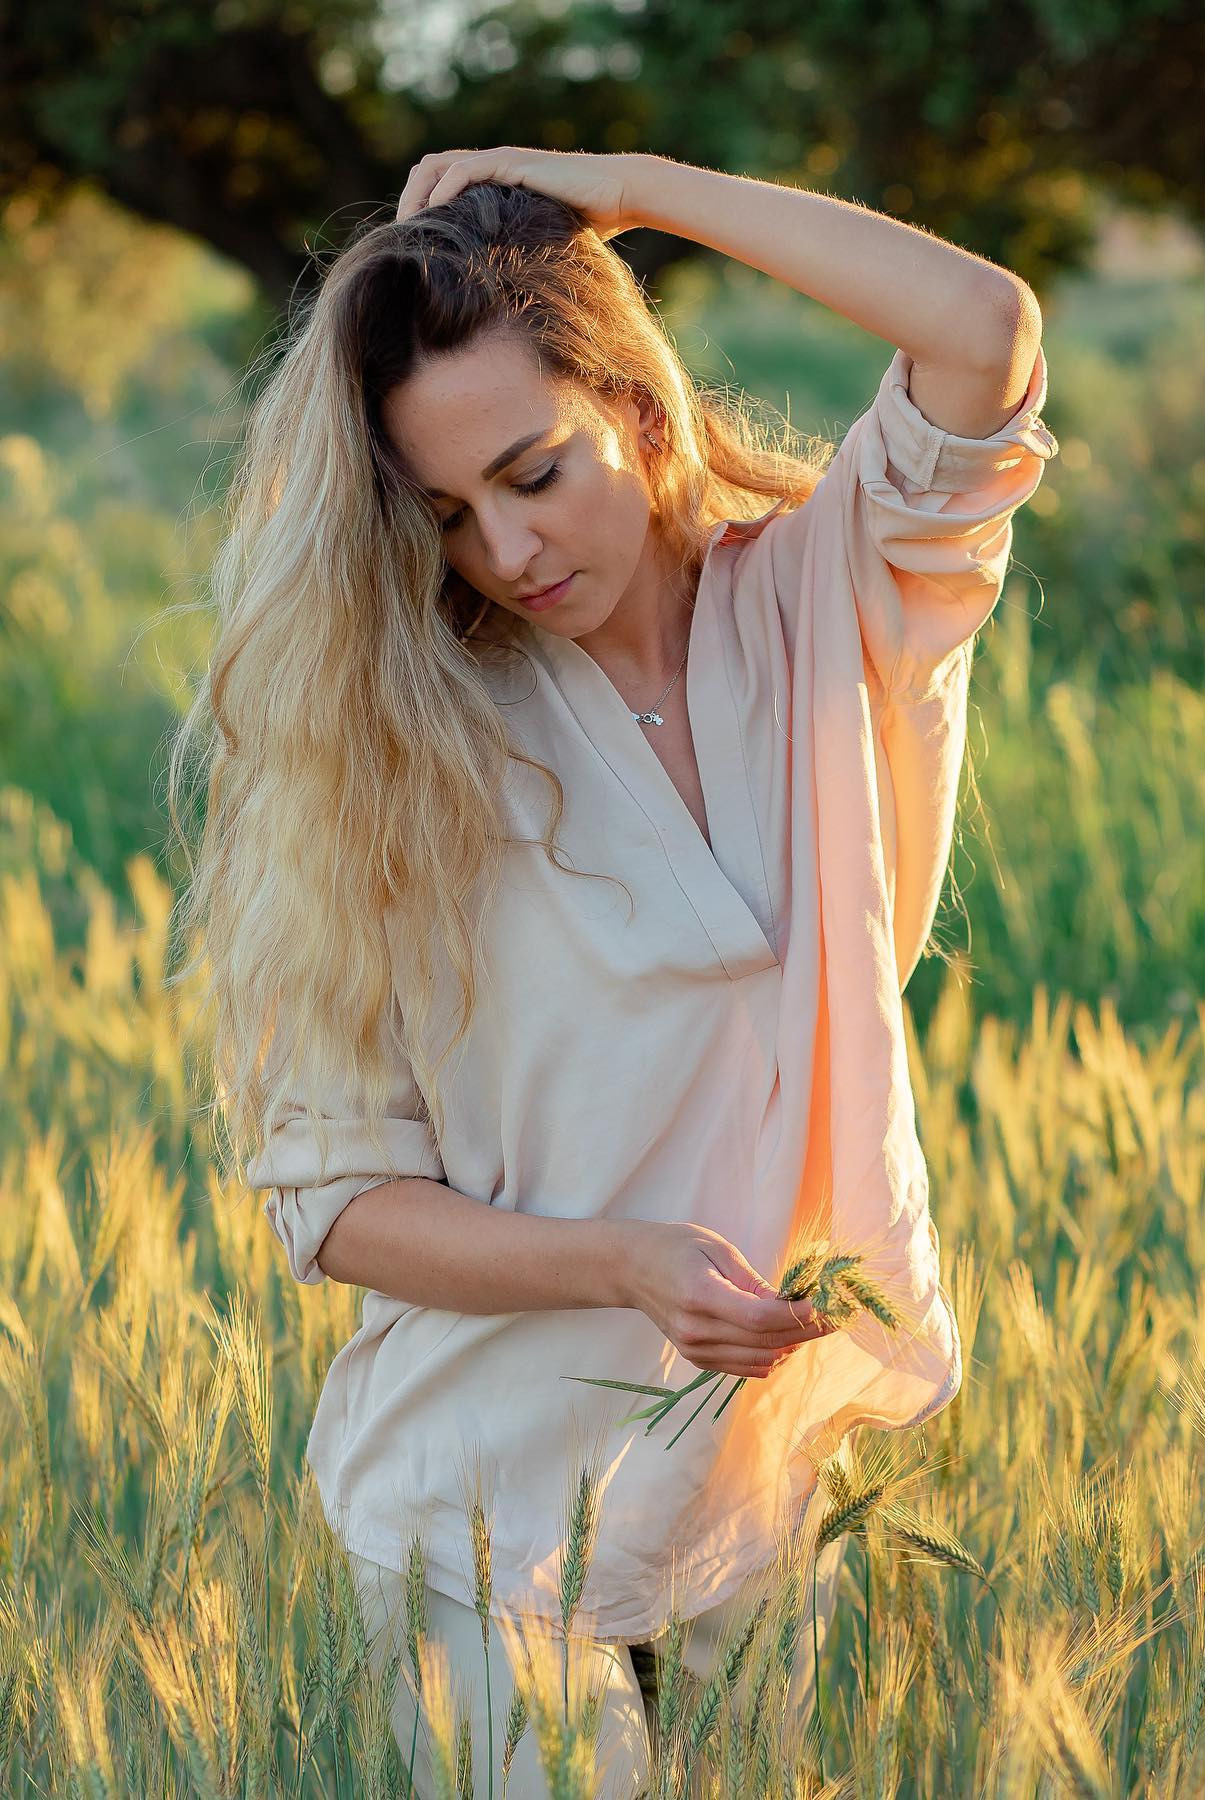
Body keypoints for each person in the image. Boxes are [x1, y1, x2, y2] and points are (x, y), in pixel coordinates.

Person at [178, 147, 1057, 1796]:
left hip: (765, 1487)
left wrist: (616, 191)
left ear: (640, 413)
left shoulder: (829, 600)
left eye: (535, 473)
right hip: (478, 1513)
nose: (507, 548)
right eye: (448, 515)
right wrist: (623, 1263)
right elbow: (335, 1204)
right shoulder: (394, 744)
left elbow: (983, 332)